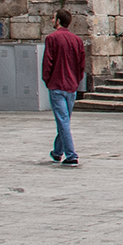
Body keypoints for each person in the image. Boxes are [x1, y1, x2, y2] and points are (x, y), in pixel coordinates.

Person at [40, 9, 87, 166]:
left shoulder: (52, 38)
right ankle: (57, 152)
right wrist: (76, 80)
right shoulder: (77, 40)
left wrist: (47, 80)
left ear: (58, 21)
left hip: (57, 84)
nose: (52, 20)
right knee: (64, 120)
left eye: (53, 18)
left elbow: (48, 62)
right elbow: (81, 64)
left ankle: (71, 154)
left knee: (63, 120)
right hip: (71, 85)